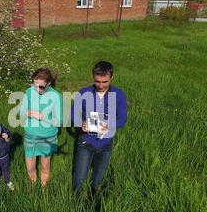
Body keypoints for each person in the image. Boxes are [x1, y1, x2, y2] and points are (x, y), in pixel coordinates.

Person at [71, 61, 128, 193]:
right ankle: (75, 203)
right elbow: (73, 113)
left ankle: (94, 198)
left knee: (98, 179)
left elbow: (123, 119)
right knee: (79, 179)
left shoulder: (119, 94)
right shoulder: (83, 92)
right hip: (86, 141)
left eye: (105, 82)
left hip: (106, 142)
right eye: (97, 81)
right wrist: (81, 123)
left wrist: (110, 125)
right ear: (93, 76)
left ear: (111, 78)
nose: (101, 85)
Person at [20, 68, 63, 188]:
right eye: (35, 86)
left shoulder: (56, 96)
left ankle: (44, 190)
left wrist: (41, 116)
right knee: (30, 167)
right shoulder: (29, 92)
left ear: (49, 83)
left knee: (45, 166)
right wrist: (26, 112)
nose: (37, 90)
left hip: (47, 137)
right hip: (30, 136)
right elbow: (21, 111)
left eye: (41, 87)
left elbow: (58, 122)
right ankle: (32, 187)